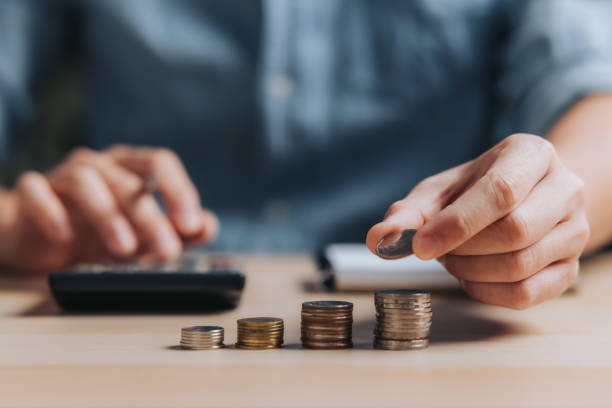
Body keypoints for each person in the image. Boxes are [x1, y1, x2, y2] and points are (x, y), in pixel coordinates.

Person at [1, 0, 612, 309]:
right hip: (120, 308)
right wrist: (15, 225)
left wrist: (542, 203)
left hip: (442, 316)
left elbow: (596, 92)